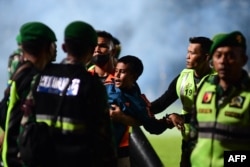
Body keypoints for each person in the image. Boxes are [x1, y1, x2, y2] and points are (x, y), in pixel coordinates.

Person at [19, 20, 117, 167]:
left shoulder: (40, 77)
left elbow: (26, 123)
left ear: (64, 47)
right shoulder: (92, 85)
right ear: (91, 51)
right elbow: (103, 138)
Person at [105, 55, 184, 167]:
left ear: (134, 76)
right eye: (116, 71)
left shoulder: (138, 102)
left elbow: (152, 126)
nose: (116, 75)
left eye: (122, 72)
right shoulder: (103, 86)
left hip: (115, 150)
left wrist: (169, 119)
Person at [150, 37, 214, 167]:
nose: (187, 57)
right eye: (187, 52)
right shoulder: (183, 77)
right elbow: (161, 103)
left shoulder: (218, 81)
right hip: (188, 143)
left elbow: (210, 114)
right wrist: (136, 105)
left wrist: (181, 118)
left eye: (193, 53)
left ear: (206, 57)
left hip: (212, 144)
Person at [1, 21, 57, 167]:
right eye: (53, 44)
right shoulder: (34, 79)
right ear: (46, 47)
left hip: (13, 157)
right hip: (25, 159)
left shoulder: (20, 75)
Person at [191, 31, 250, 167]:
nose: (223, 61)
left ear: (243, 60)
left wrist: (226, 161)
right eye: (218, 56)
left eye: (230, 56)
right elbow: (193, 136)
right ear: (212, 60)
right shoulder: (203, 88)